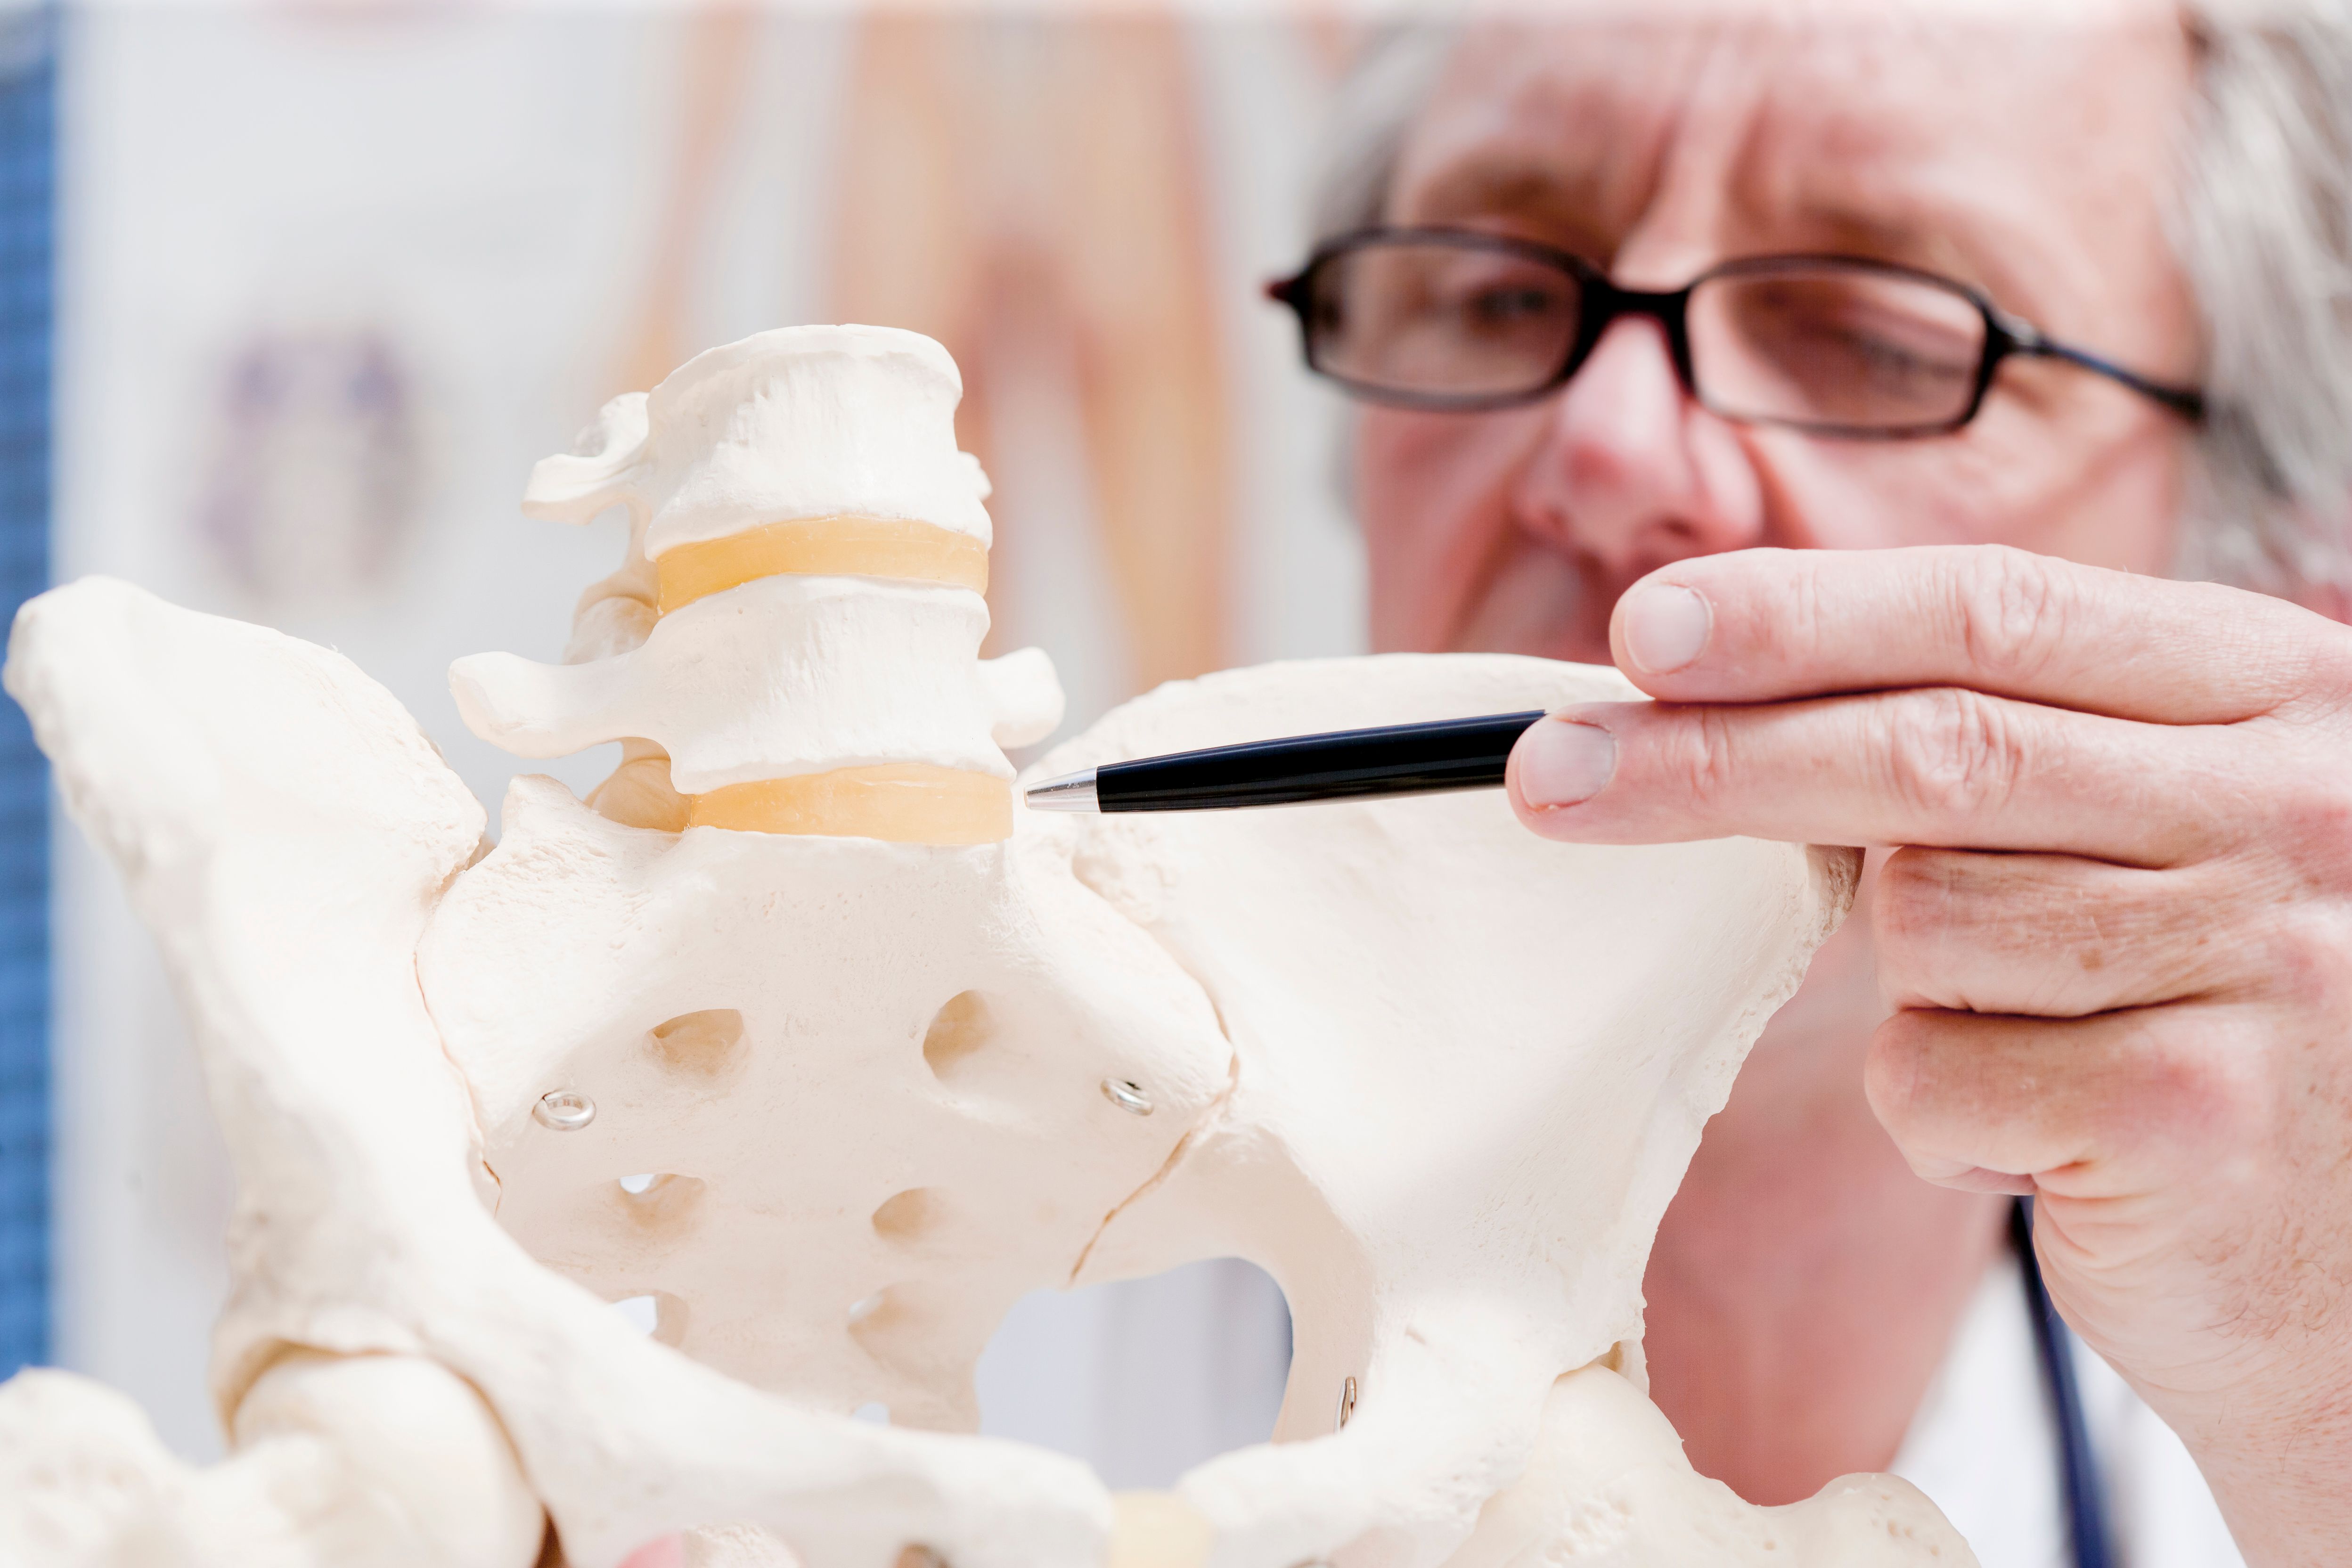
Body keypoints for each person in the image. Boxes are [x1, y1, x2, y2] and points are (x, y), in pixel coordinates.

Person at [1264, 4, 2352, 1565]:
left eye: (1880, 339)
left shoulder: (2309, 1423)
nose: (1609, 445)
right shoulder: (873, 1321)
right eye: (1500, 296)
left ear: (2288, 586)